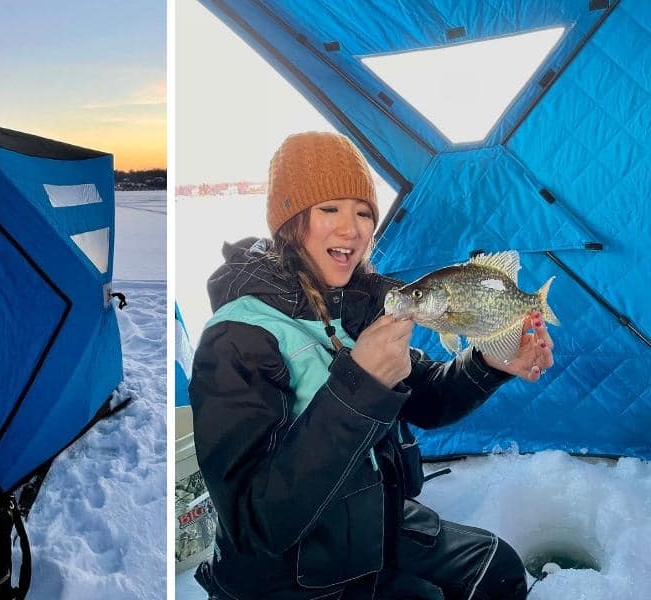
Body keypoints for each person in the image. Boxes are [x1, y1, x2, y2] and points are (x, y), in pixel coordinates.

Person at [189, 132, 554, 599]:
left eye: (363, 212)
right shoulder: (237, 338)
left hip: (370, 522)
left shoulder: (361, 306)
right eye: (329, 209)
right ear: (289, 222)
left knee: (495, 570)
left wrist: (492, 362)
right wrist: (358, 386)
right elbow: (256, 523)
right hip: (293, 574)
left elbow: (427, 399)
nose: (352, 229)